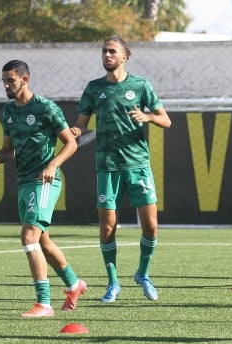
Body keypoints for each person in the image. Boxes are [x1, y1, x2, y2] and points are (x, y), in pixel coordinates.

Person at [71, 36, 171, 302]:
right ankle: (113, 283)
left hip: (138, 165)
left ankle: (143, 273)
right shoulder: (94, 88)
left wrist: (147, 116)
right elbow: (81, 122)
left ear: (125, 56)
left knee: (150, 226)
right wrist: (75, 131)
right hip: (108, 166)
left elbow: (166, 120)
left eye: (112, 51)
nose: (106, 55)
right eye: (103, 50)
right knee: (107, 228)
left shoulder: (140, 85)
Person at [0, 60, 87, 318]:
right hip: (24, 182)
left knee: (29, 236)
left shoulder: (45, 107)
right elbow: (9, 151)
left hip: (45, 181)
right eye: (4, 81)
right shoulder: (8, 112)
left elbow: (71, 143)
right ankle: (75, 284)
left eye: (11, 80)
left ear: (25, 79)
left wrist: (52, 164)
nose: (6, 85)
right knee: (42, 239)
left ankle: (44, 304)